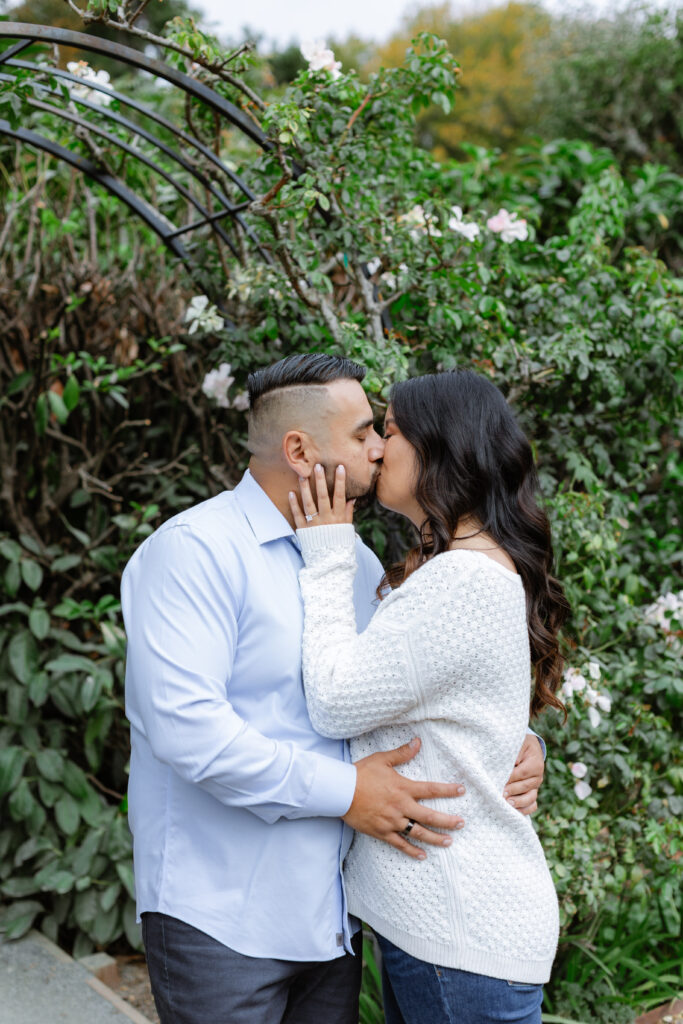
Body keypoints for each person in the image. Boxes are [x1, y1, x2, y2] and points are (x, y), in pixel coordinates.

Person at [121, 354, 547, 1024]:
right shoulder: (192, 553)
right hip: (222, 912)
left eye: (384, 432)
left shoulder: (353, 563)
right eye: (361, 434)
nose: (378, 447)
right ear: (299, 449)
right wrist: (347, 791)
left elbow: (413, 689)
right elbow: (187, 730)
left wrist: (509, 740)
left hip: (330, 917)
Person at [290, 369, 570, 1024]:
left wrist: (328, 549)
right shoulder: (455, 568)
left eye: (388, 430)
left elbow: (333, 700)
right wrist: (522, 743)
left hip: (461, 929)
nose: (379, 448)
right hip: (452, 928)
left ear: (438, 445)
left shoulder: (463, 580)